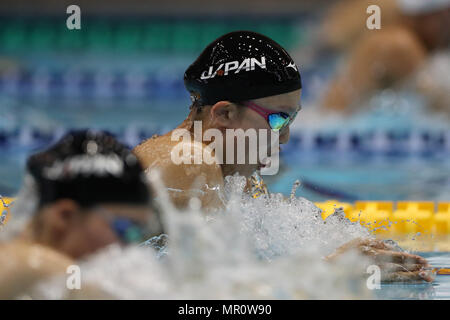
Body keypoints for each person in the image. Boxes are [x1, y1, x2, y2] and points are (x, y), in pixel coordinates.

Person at [134, 30, 433, 283]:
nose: (285, 137)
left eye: (290, 121)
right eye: (278, 120)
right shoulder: (188, 162)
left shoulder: (230, 175)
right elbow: (213, 292)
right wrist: (336, 268)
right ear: (224, 113)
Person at [0, 130, 164, 299]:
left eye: (140, 232)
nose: (130, 247)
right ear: (64, 216)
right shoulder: (35, 265)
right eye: (125, 229)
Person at [322, 0, 450, 114]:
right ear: (427, 17)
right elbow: (438, 103)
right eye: (445, 17)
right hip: (337, 123)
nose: (447, 27)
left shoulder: (392, 37)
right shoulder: (401, 46)